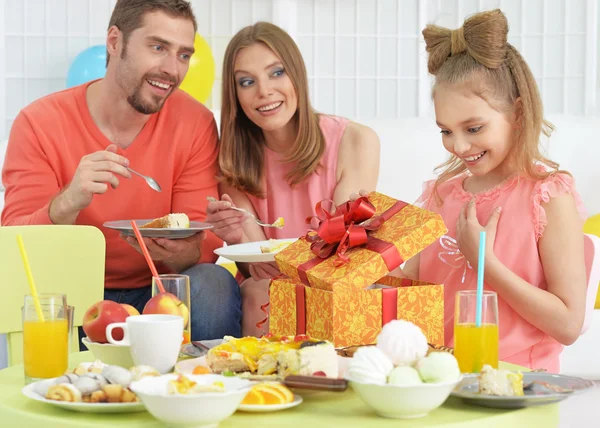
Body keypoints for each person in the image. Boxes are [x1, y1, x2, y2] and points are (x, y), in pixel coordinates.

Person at [1, 0, 241, 342]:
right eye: (158, 47)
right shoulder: (39, 123)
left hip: (158, 296)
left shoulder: (196, 123)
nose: (172, 69)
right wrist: (68, 200)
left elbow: (202, 243)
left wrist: (181, 251)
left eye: (183, 55)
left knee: (213, 282)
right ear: (115, 41)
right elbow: (15, 244)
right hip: (74, 297)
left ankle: (202, 385)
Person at [396, 9, 586, 371]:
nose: (458, 146)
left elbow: (568, 325)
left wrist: (485, 262)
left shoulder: (547, 197)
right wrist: (366, 265)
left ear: (517, 113)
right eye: (445, 130)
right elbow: (411, 294)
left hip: (518, 385)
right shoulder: (439, 197)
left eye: (473, 128)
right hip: (440, 379)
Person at [206, 22, 380, 337]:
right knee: (262, 289)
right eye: (247, 81)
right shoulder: (233, 163)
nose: (264, 91)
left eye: (277, 73)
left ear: (297, 74)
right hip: (268, 293)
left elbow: (345, 246)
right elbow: (256, 263)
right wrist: (236, 238)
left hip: (335, 279)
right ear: (236, 95)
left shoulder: (355, 140)